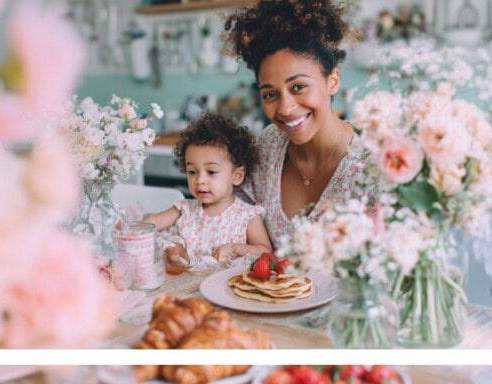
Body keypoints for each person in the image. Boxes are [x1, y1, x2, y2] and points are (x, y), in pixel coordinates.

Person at [222, 0, 375, 249]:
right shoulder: (267, 146)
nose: (285, 108)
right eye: (270, 94)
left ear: (332, 81)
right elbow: (229, 220)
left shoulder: (374, 164)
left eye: (298, 87)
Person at [143, 112, 273, 268]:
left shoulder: (247, 216)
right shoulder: (184, 209)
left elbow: (266, 252)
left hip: (224, 288)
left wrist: (235, 248)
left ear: (237, 176)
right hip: (184, 286)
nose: (199, 180)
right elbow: (148, 225)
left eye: (211, 172)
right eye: (192, 172)